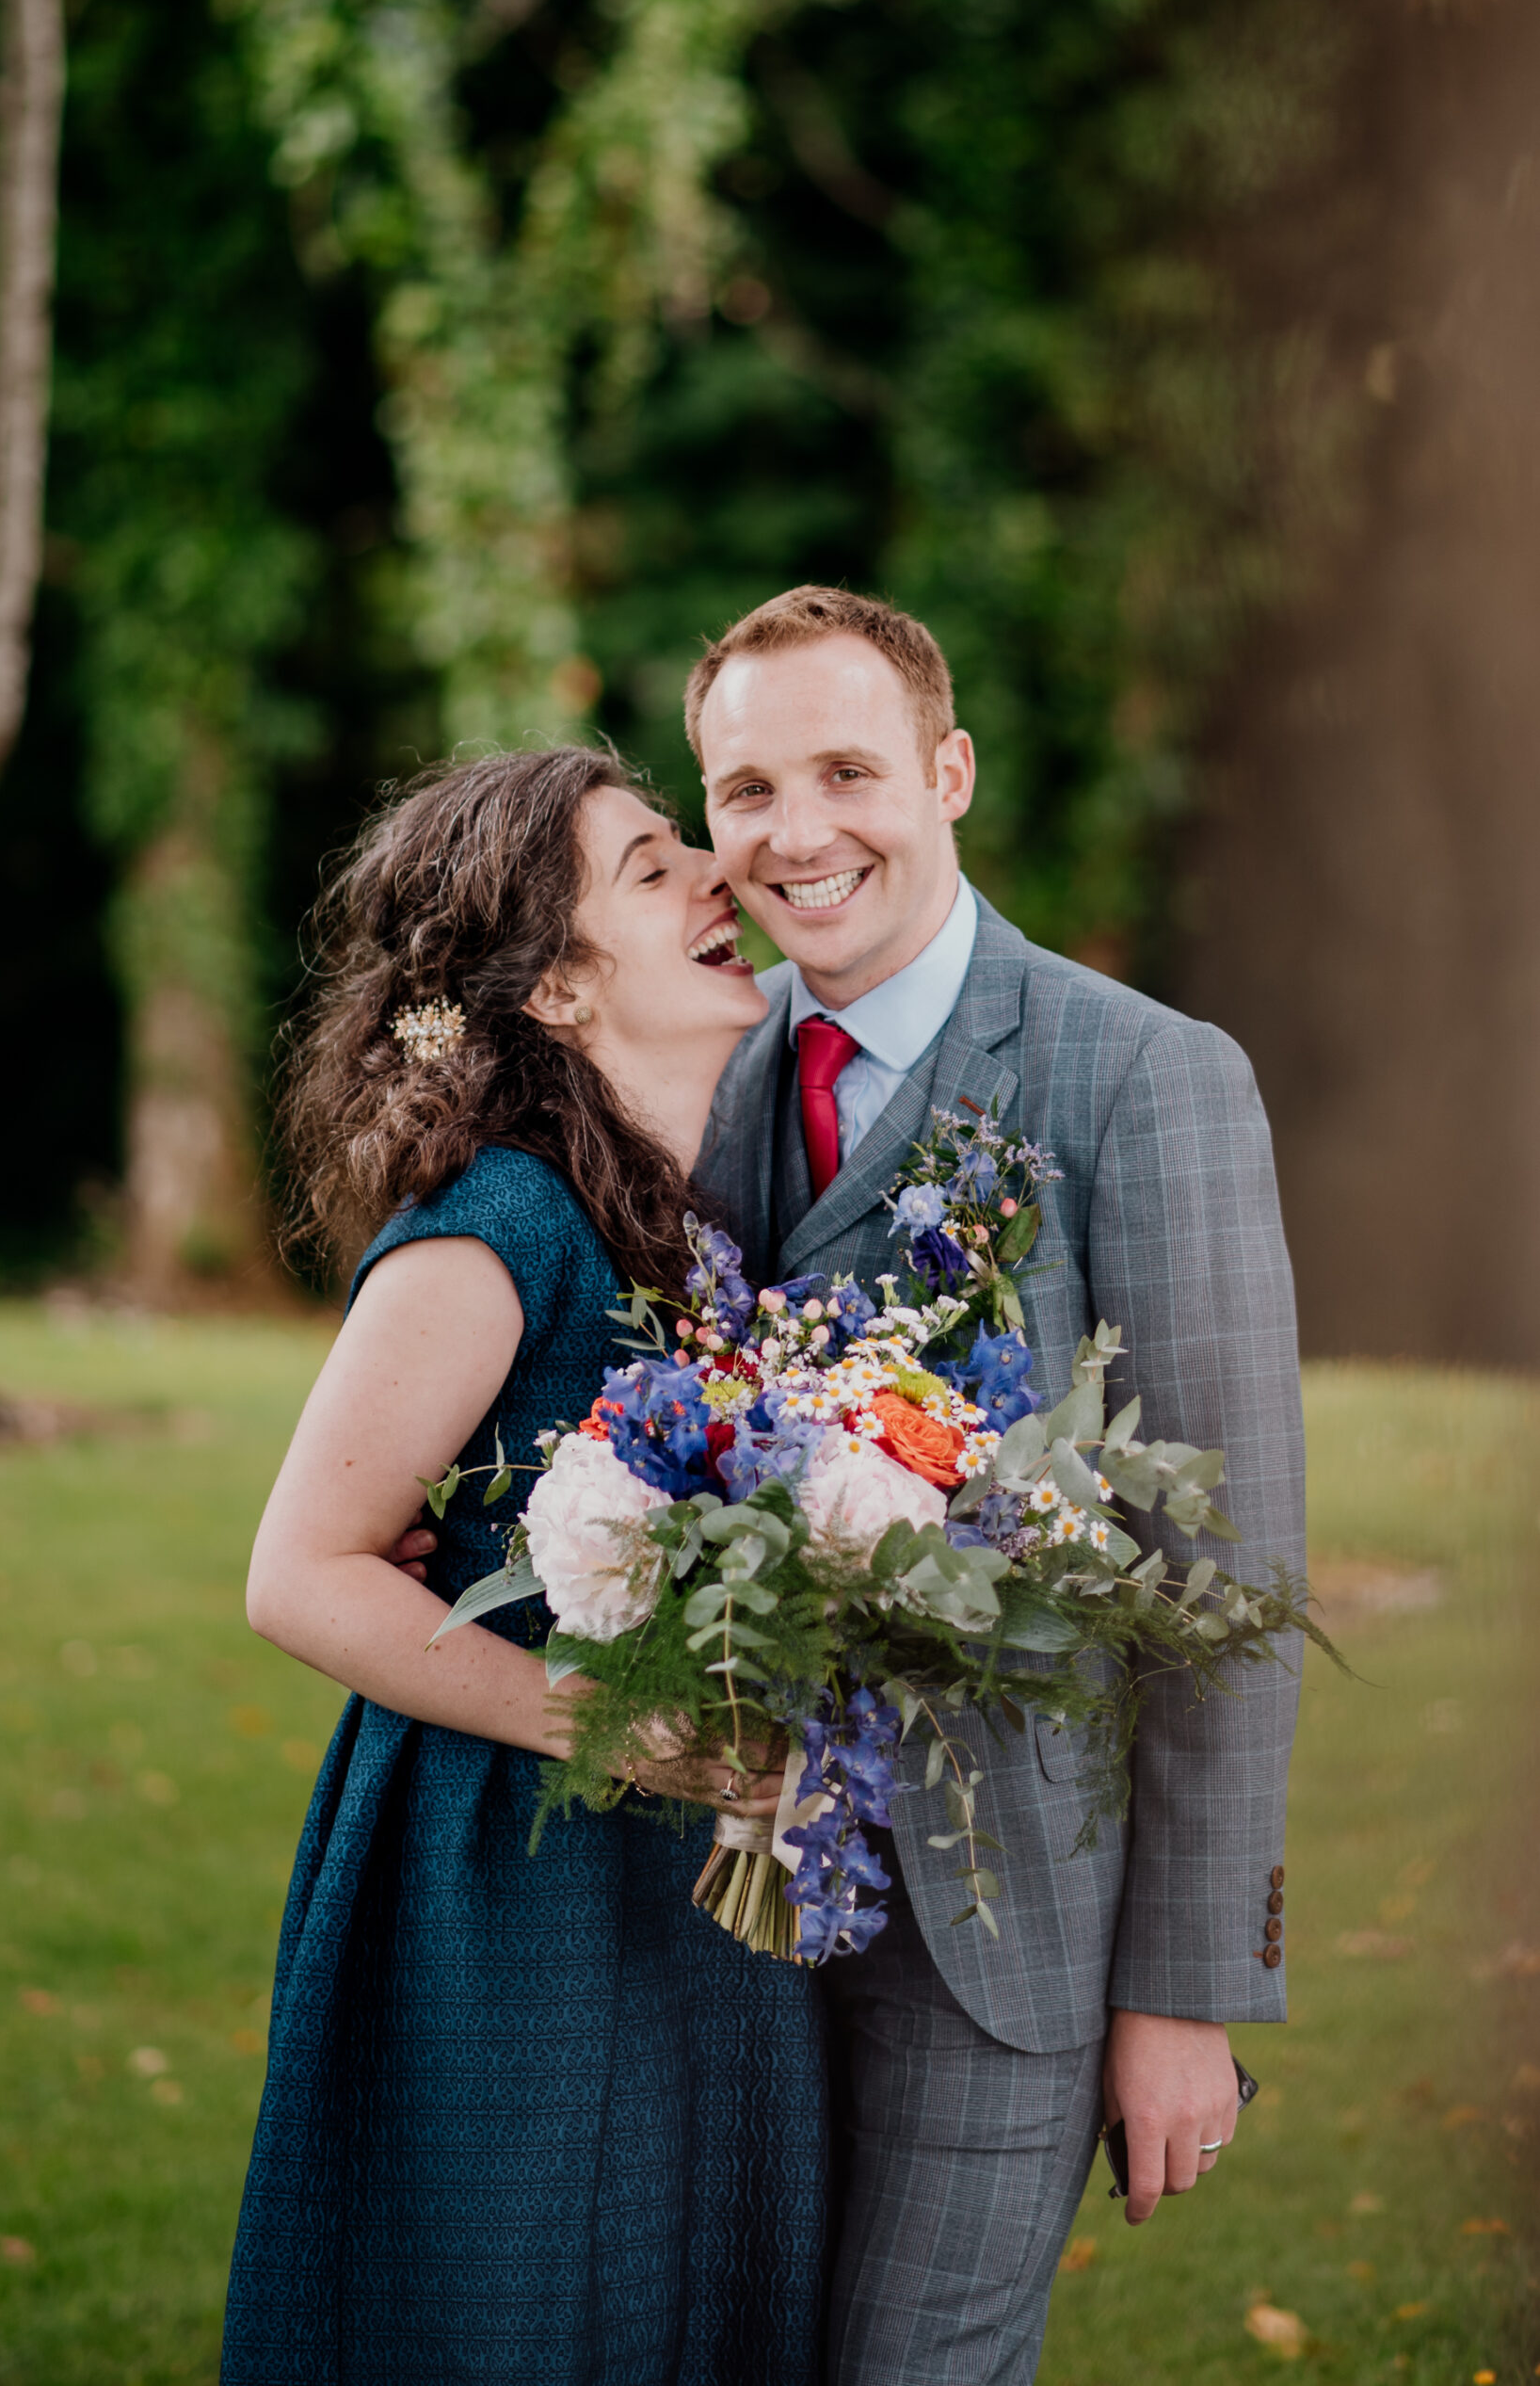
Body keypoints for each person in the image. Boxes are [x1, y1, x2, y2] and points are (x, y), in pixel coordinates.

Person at [688, 587, 1304, 2386]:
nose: (797, 834)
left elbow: (1223, 1567)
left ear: (949, 771)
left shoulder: (1145, 1078)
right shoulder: (708, 1068)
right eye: (744, 791)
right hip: (721, 1908)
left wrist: (1183, 1994)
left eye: (846, 770)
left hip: (1005, 1921)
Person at [219, 747, 831, 2386]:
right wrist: (620, 1729)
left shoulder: (707, 1218)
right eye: (650, 867)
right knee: (520, 2312)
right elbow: (303, 1572)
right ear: (558, 988)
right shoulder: (502, 1223)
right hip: (513, 1886)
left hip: (700, 1883)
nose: (718, 870)